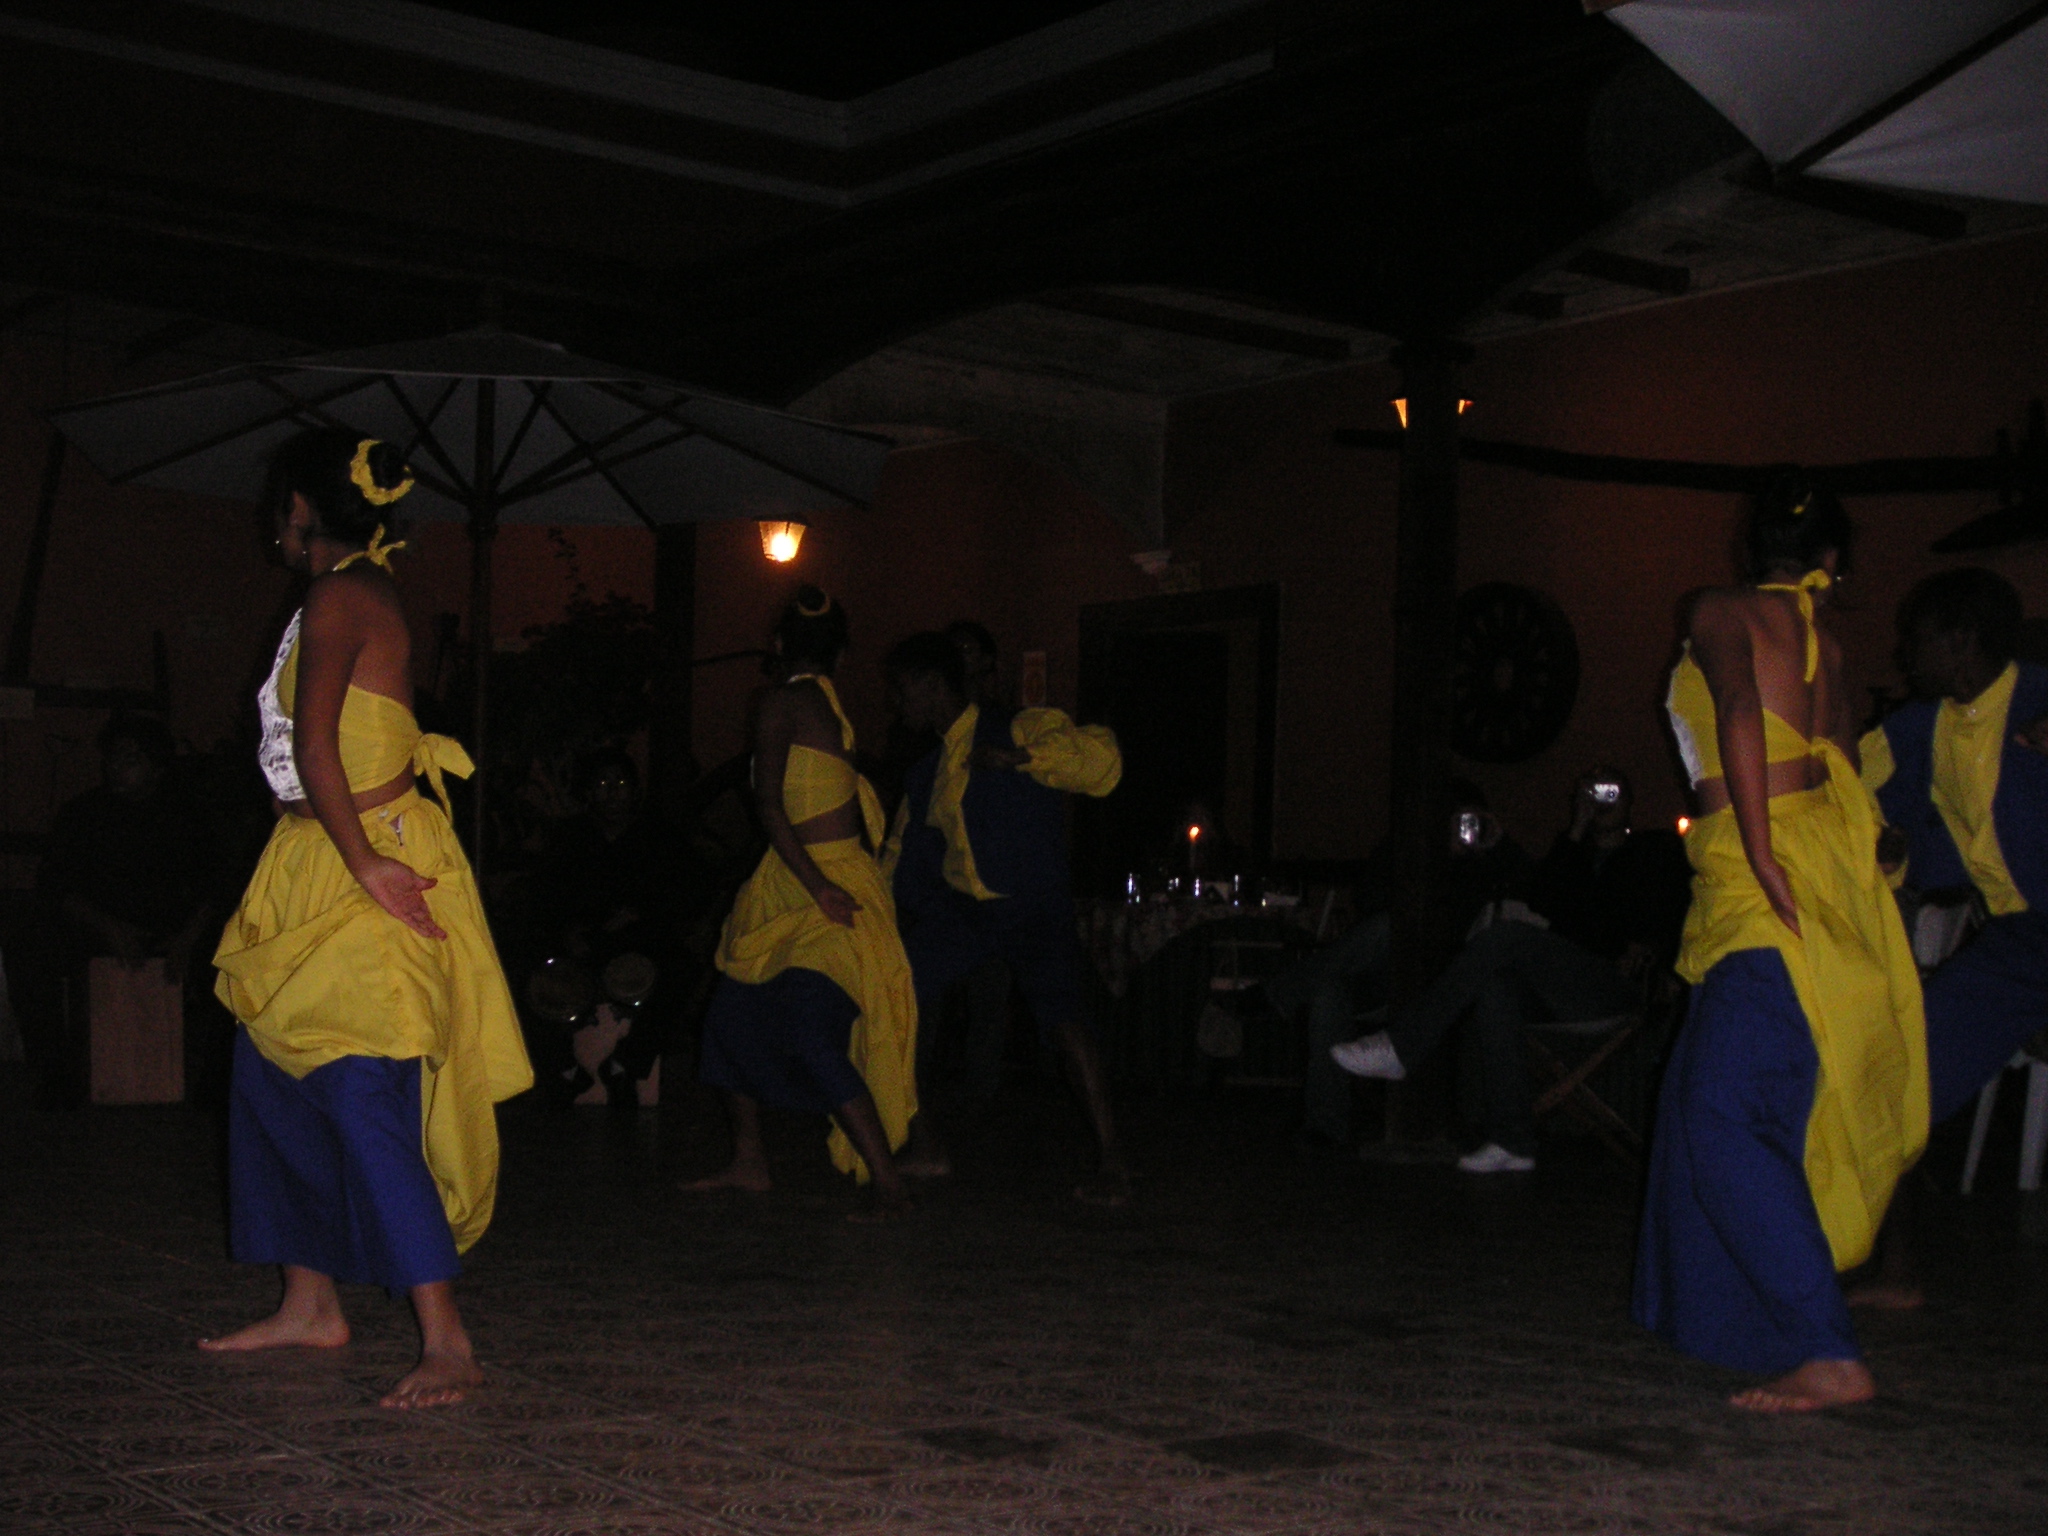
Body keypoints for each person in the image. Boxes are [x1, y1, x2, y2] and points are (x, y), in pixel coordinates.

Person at [203, 430, 533, 1410]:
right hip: (325, 857)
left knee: (359, 1091)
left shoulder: (338, 594)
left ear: (301, 512)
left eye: (279, 507)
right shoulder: (347, 593)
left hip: (366, 858)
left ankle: (447, 1336)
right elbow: (306, 750)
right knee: (271, 1075)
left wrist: (360, 863)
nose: (275, 523)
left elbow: (316, 746)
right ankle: (311, 1302)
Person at [1631, 477, 1926, 1413]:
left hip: (1768, 871)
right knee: (1706, 1097)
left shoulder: (1720, 609)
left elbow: (1740, 713)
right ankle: (1737, 1319)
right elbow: (1841, 763)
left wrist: (1759, 853)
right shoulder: (1827, 642)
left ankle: (1824, 1348)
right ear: (1830, 561)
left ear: (1748, 547)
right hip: (1813, 859)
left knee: (1721, 1111)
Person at [686, 587, 921, 1215]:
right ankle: (750, 1161)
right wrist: (816, 882)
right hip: (798, 881)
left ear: (779, 645)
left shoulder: (785, 701)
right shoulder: (823, 701)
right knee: (730, 1019)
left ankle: (888, 1178)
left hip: (822, 882)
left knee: (812, 1029)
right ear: (841, 654)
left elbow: (766, 806)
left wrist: (820, 887)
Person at [1851, 568, 2048, 1308]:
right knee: (1903, 1072)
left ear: (1961, 641)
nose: (1905, 653)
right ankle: (1896, 1268)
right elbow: (1847, 791)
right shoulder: (1917, 727)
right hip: (2020, 944)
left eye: (1918, 638)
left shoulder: (2039, 696)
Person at [1327, 772, 1687, 1171]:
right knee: (1497, 985)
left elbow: (1677, 904)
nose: (1603, 799)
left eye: (1612, 792)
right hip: (1561, 985)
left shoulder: (1653, 850)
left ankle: (1402, 1046)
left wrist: (1653, 948)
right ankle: (1513, 1140)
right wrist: (1573, 829)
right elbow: (1542, 898)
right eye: (1593, 791)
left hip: (1615, 984)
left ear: (1630, 801)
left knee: (1506, 937)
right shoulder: (1571, 854)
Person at [882, 630, 1129, 1204]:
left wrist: (1025, 759)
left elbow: (1104, 765)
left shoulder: (1018, 727)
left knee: (1067, 1023)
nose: (898, 704)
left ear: (930, 685)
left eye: (903, 691)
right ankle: (926, 1145)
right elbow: (896, 856)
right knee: (890, 997)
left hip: (1030, 907)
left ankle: (1113, 1164)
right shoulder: (927, 771)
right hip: (966, 914)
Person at [30, 713, 215, 1108]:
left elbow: (216, 888)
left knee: (229, 958)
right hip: (99, 930)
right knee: (31, 945)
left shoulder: (187, 815)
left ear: (157, 767)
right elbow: (56, 886)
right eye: (113, 758)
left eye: (131, 758)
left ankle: (210, 1083)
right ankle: (57, 1075)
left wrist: (186, 940)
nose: (116, 767)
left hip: (175, 934)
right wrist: (108, 929)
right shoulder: (84, 814)